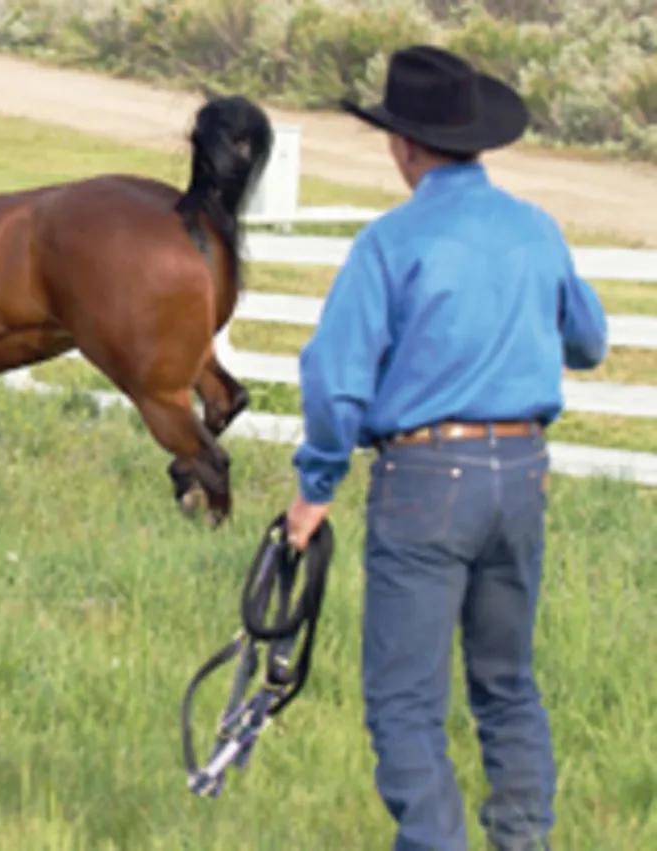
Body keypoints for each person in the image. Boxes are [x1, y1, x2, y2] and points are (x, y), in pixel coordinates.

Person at [285, 45, 607, 850]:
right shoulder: (536, 230)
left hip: (426, 478)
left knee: (405, 699)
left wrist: (317, 483)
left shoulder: (391, 242)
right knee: (507, 681)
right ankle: (522, 838)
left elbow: (335, 379)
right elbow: (589, 340)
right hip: (521, 473)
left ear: (403, 146)